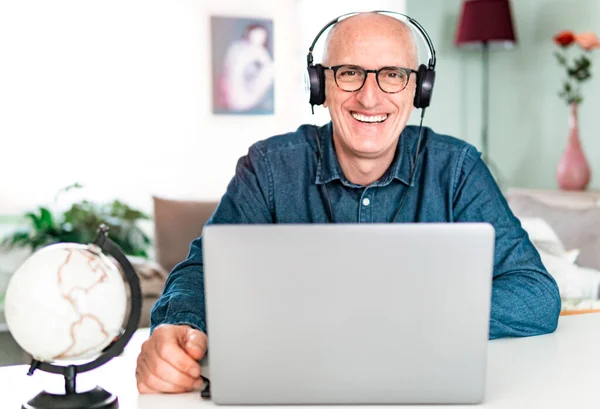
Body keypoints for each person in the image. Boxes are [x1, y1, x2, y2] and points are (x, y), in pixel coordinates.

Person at [136, 11, 561, 394]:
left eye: (393, 74)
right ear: (320, 85)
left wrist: (400, 317)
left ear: (419, 89)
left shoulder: (458, 170)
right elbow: (201, 271)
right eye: (350, 73)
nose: (370, 97)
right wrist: (178, 327)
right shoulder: (267, 168)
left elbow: (536, 294)